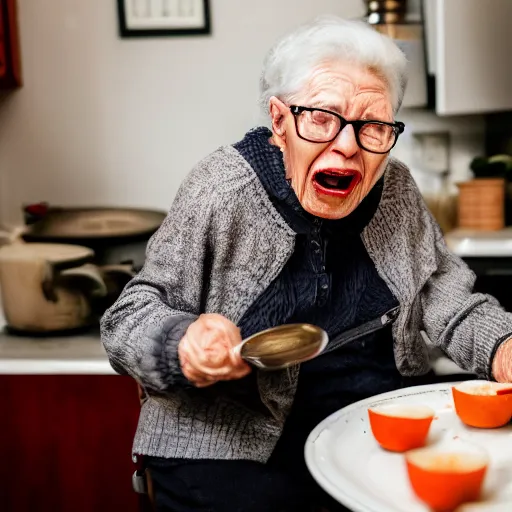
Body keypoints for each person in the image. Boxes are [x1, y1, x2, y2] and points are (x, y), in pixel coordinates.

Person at [101, 15, 512, 512]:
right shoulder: (222, 191)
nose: (347, 145)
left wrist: (502, 345)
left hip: (368, 425)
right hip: (234, 447)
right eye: (321, 117)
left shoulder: (395, 189)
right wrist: (183, 342)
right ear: (279, 121)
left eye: (373, 126)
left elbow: (449, 300)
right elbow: (128, 317)